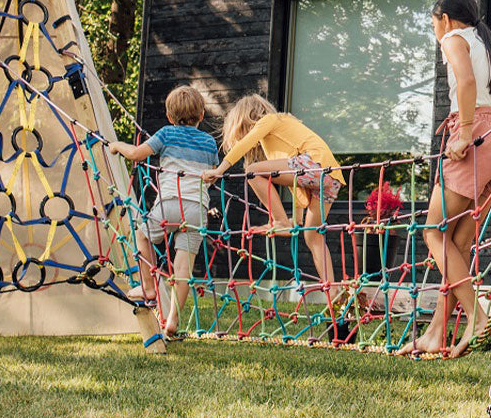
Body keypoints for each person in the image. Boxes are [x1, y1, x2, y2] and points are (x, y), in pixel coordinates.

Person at [402, 0, 491, 358]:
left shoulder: (454, 39)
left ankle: (477, 314)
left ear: (444, 18)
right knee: (457, 244)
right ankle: (435, 334)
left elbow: (466, 83)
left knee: (432, 231)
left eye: (434, 23)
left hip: (475, 138)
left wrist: (463, 132)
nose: (435, 31)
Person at [202, 95, 347, 309]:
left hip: (313, 165)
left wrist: (219, 170)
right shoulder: (284, 134)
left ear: (247, 119)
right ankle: (333, 291)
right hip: (330, 178)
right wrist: (295, 220)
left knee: (251, 172)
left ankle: (279, 220)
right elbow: (296, 183)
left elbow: (245, 145)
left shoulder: (270, 120)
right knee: (312, 236)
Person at [110, 84, 218, 338]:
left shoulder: (166, 134)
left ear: (170, 117)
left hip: (170, 204)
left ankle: (148, 287)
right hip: (197, 209)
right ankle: (172, 321)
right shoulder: (209, 141)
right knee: (183, 269)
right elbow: (211, 174)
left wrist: (117, 145)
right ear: (201, 115)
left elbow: (137, 154)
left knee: (142, 235)